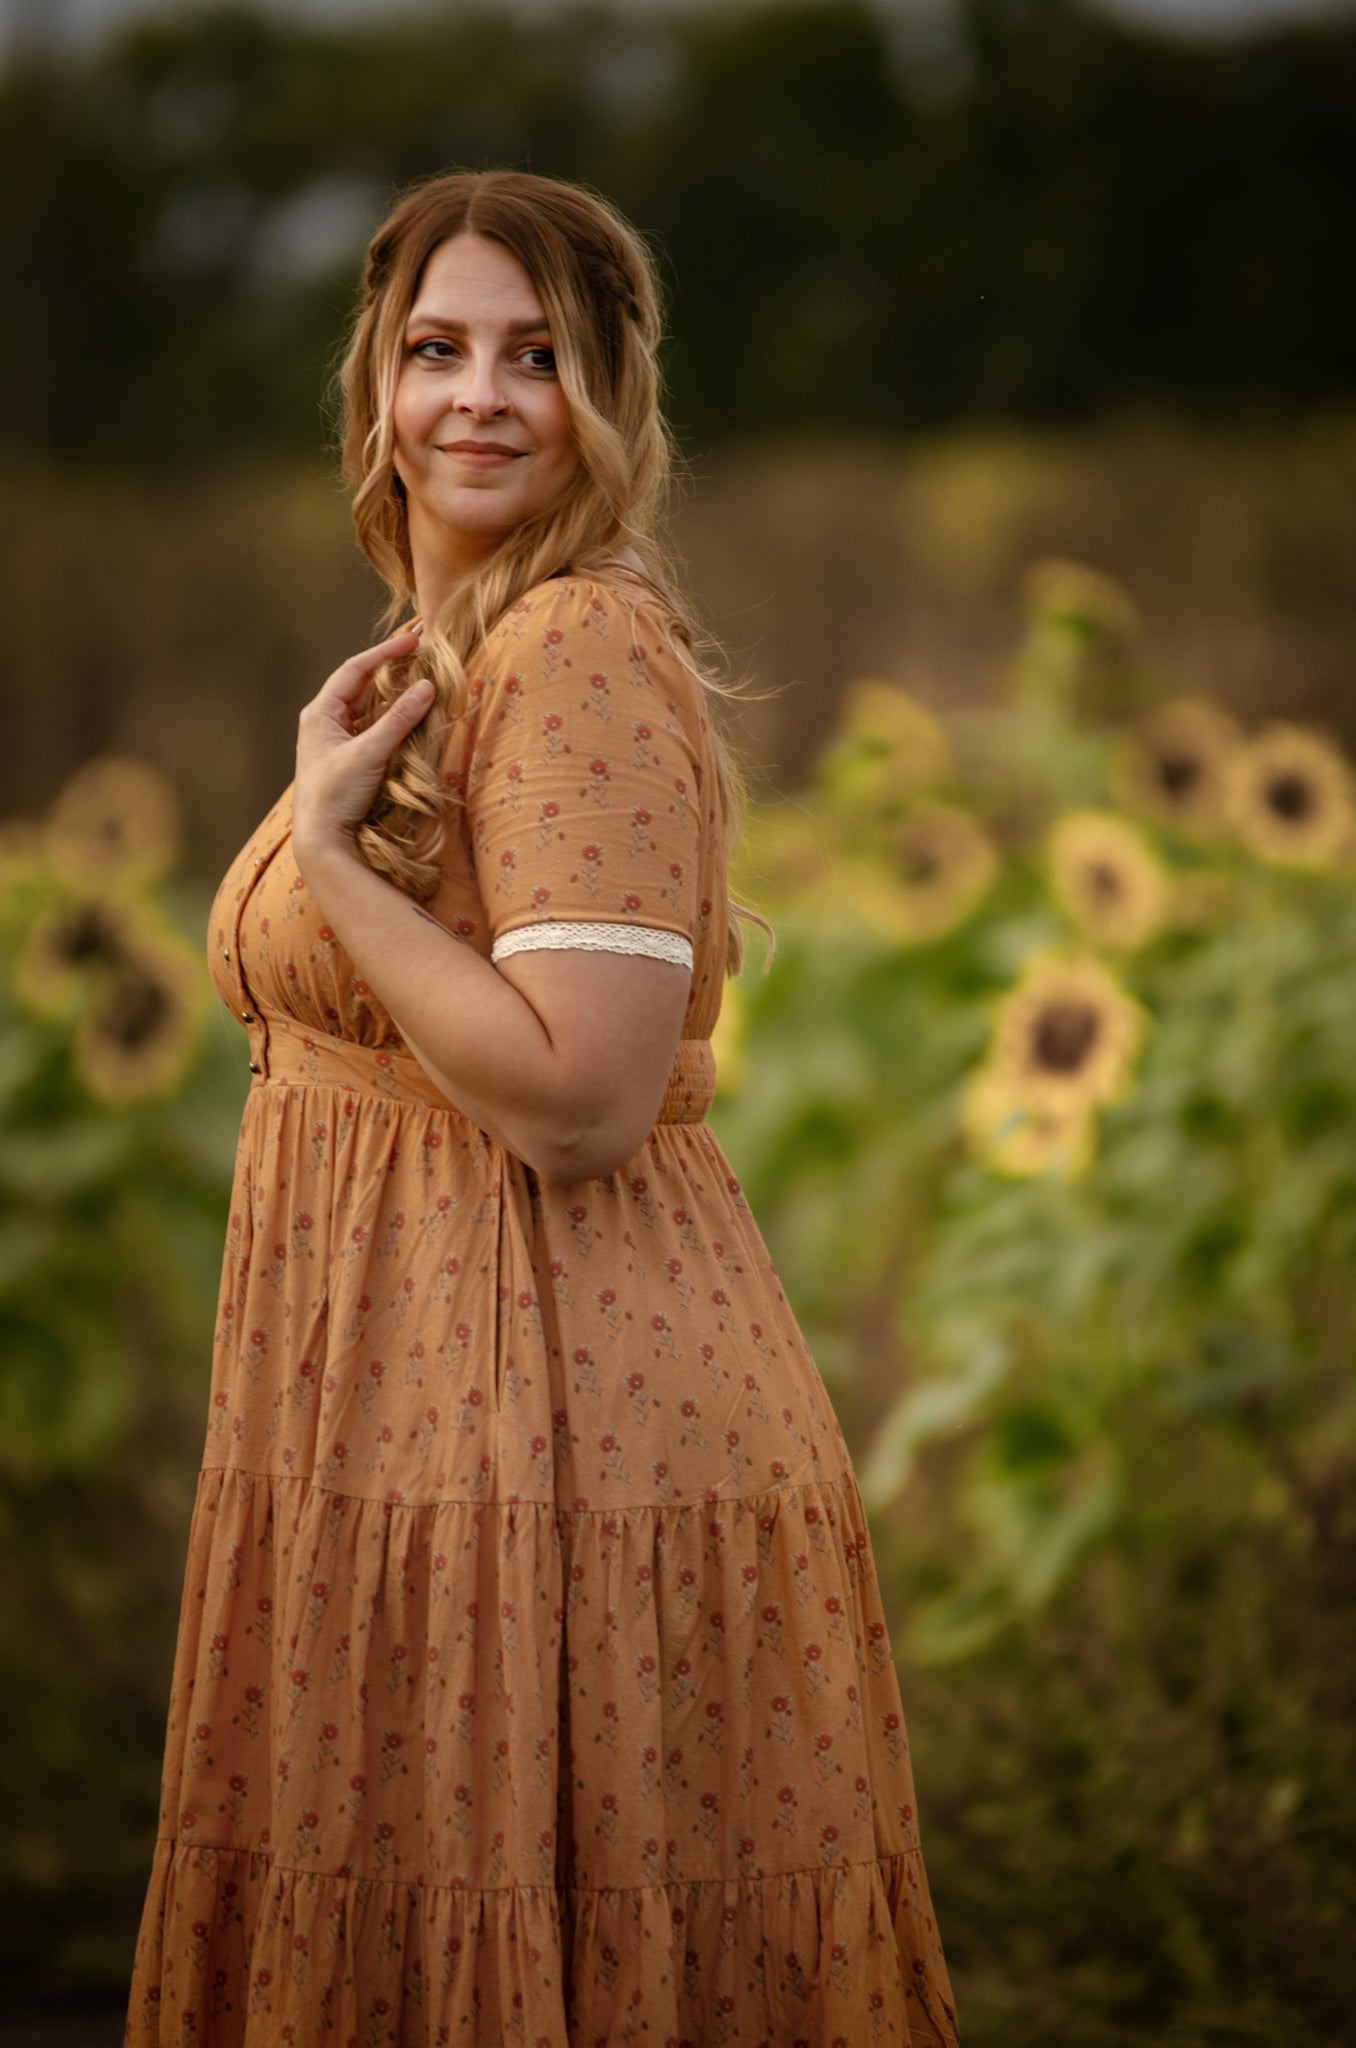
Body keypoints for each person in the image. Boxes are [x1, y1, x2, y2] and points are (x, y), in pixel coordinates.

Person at [126, 168, 960, 2048]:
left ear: (613, 402)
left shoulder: (572, 648)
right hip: (405, 1414)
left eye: (538, 357)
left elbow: (583, 1100)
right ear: (376, 384)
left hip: (558, 1421)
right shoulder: (443, 660)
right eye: (437, 350)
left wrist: (329, 863)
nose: (478, 398)